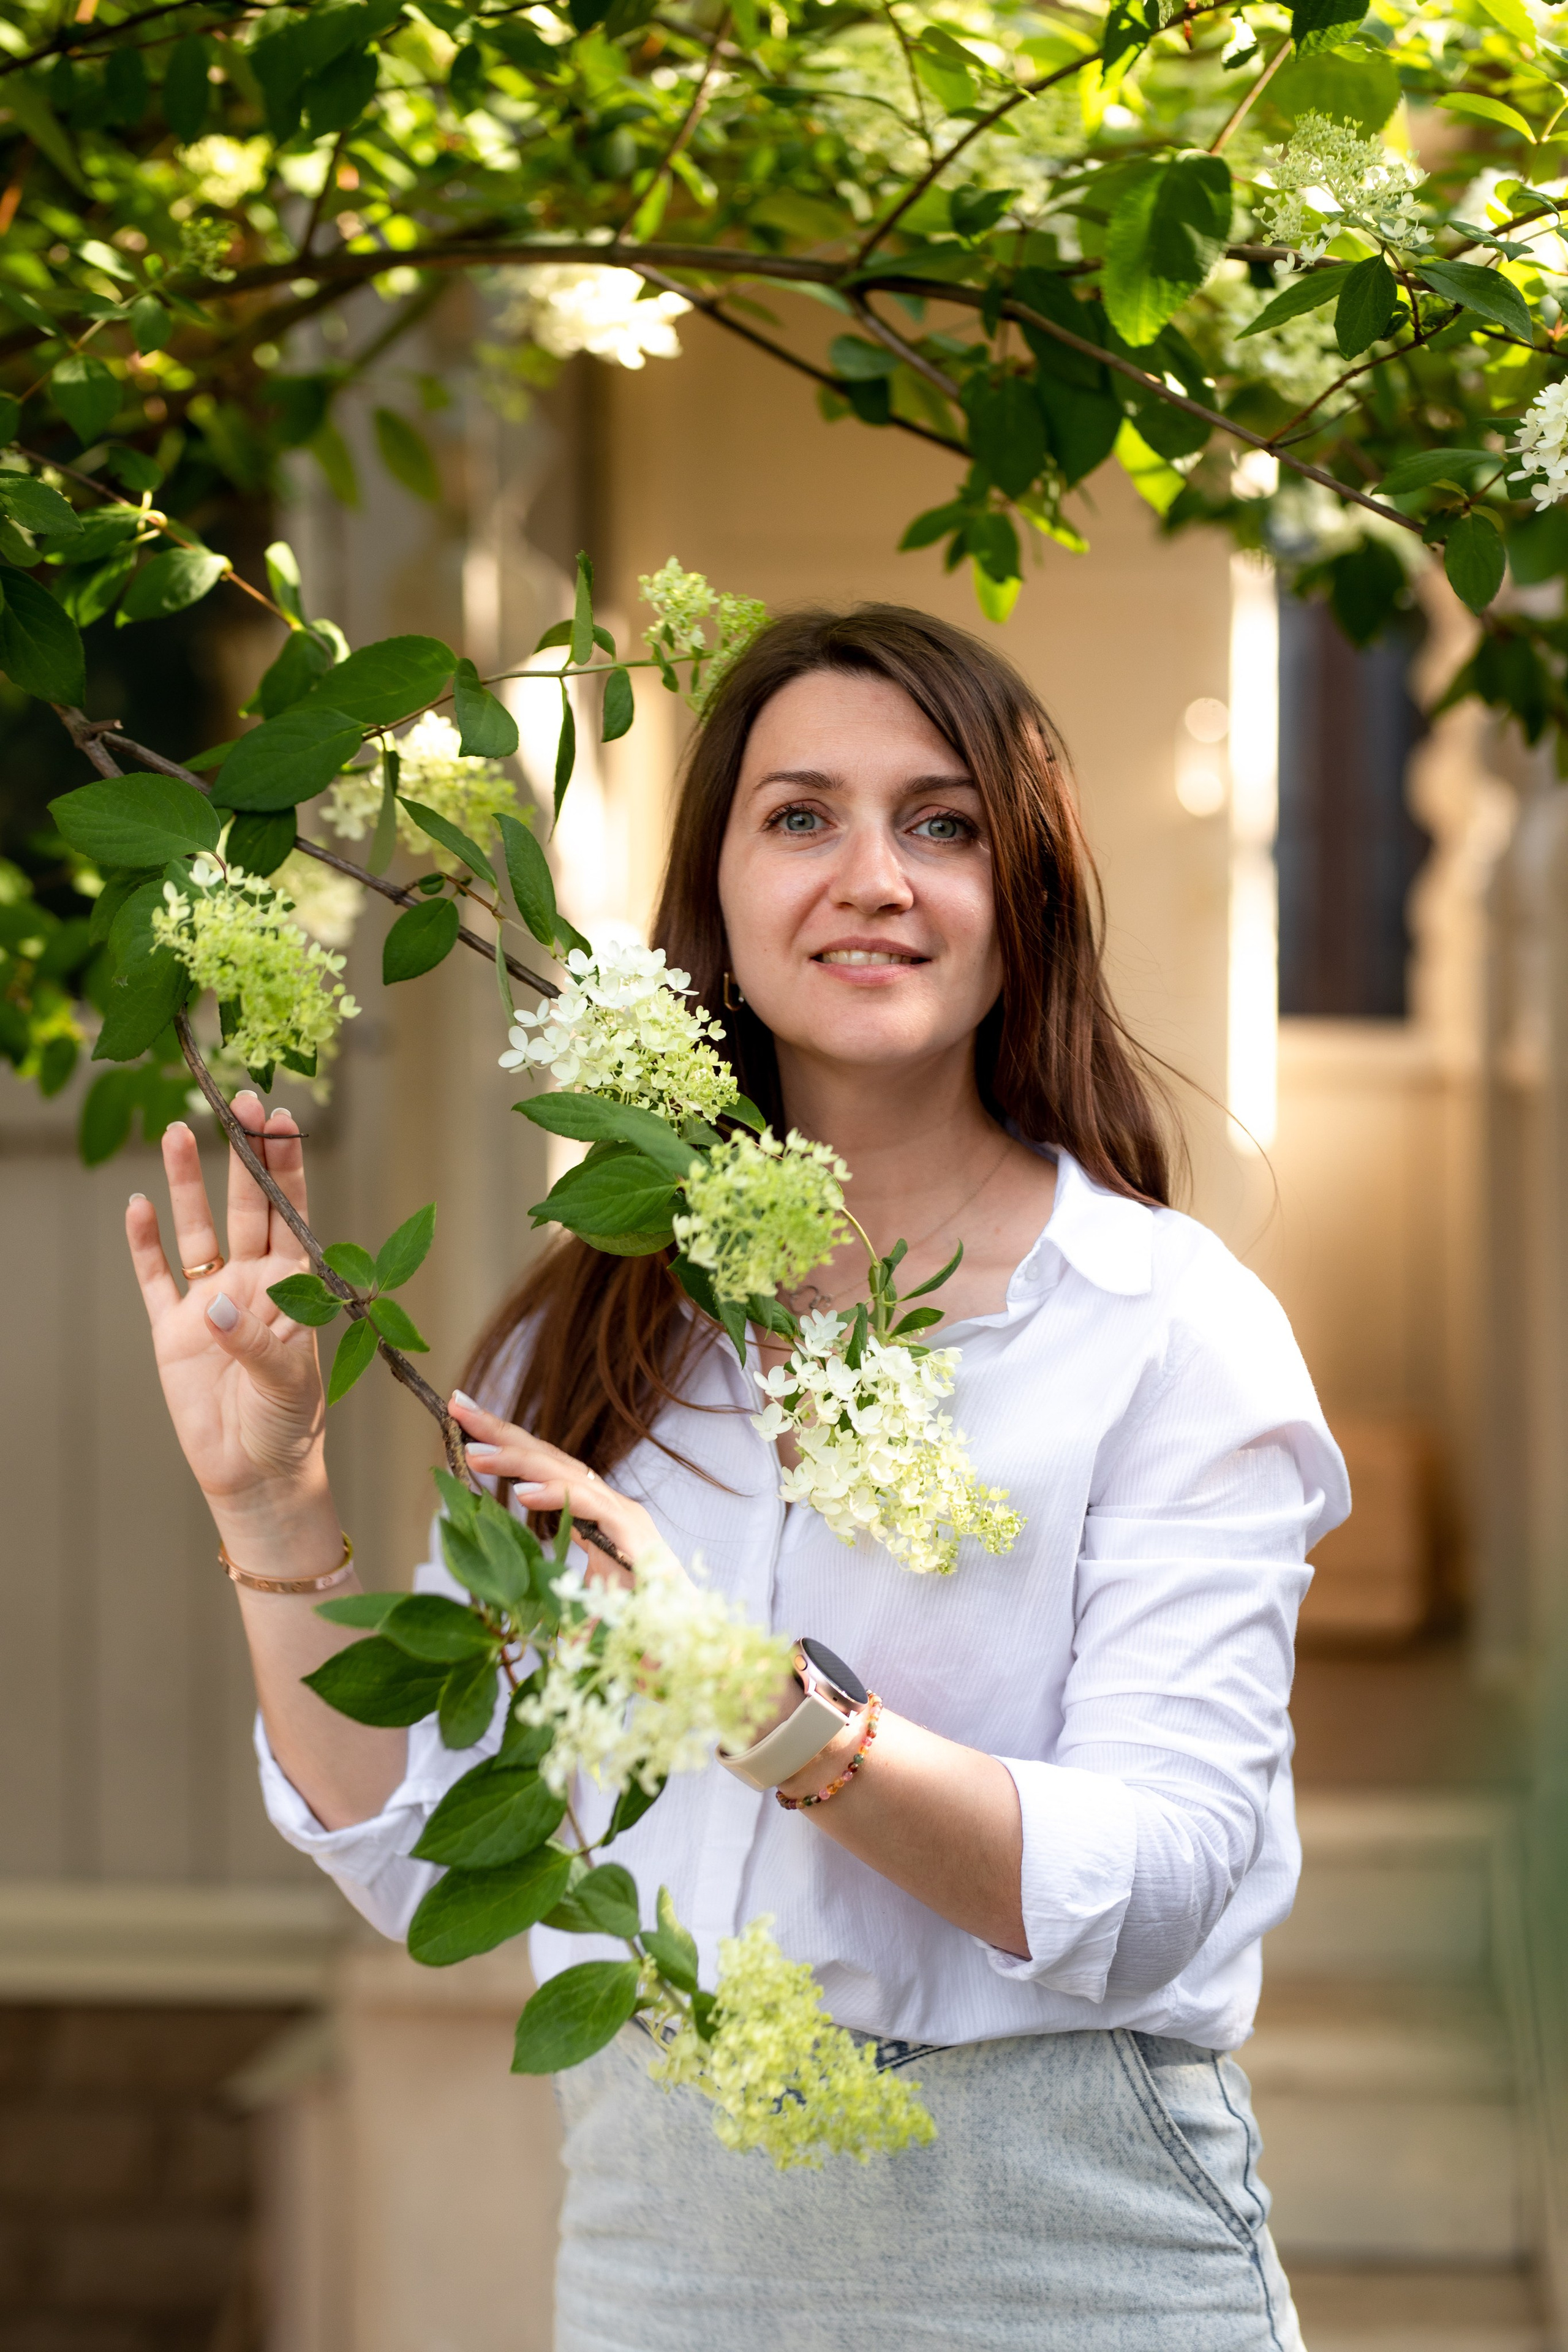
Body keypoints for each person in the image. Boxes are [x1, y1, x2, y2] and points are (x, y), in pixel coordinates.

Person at [126, 605, 1347, 2352]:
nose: (874, 878)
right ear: (717, 888)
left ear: (1026, 894)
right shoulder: (581, 1341)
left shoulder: (1167, 1328)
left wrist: (756, 1700)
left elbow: (1161, 1886)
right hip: (659, 2261)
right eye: (801, 817)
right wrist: (272, 1503)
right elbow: (429, 1859)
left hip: (1076, 2255)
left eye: (942, 823)